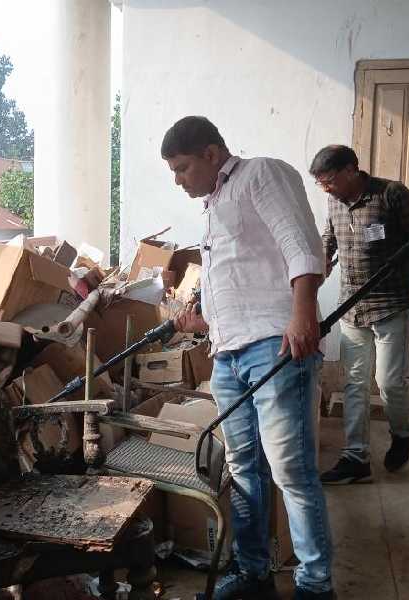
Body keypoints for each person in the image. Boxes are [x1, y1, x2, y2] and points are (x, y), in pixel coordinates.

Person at [164, 116, 334, 600]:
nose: (178, 179)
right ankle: (254, 573)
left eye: (182, 167)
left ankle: (316, 586)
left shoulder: (261, 174)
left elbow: (302, 246)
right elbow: (242, 278)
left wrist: (303, 315)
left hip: (276, 346)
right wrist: (201, 322)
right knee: (244, 470)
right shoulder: (214, 206)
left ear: (212, 154)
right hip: (229, 354)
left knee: (291, 472)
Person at [310, 145, 409, 485]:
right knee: (354, 382)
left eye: (330, 181)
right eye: (321, 184)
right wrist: (321, 261)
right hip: (352, 305)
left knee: (389, 381)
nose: (326, 189)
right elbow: (329, 236)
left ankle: (403, 432)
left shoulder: (391, 194)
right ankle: (356, 458)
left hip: (391, 304)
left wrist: (407, 274)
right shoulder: (334, 200)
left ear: (352, 169)